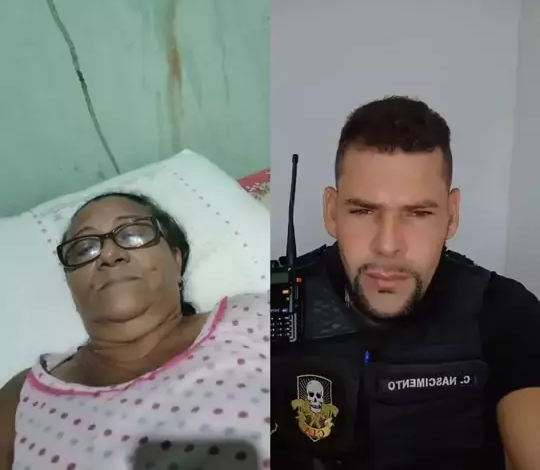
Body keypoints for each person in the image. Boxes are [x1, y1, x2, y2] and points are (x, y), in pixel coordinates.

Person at [271, 96, 540, 469]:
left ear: (451, 216)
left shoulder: (503, 309)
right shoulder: (273, 301)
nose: (388, 245)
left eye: (418, 213)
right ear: (332, 213)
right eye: (363, 210)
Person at [0, 192, 270, 470]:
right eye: (84, 249)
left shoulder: (254, 314)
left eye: (133, 235)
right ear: (71, 286)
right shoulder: (22, 397)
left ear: (176, 261)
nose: (109, 254)